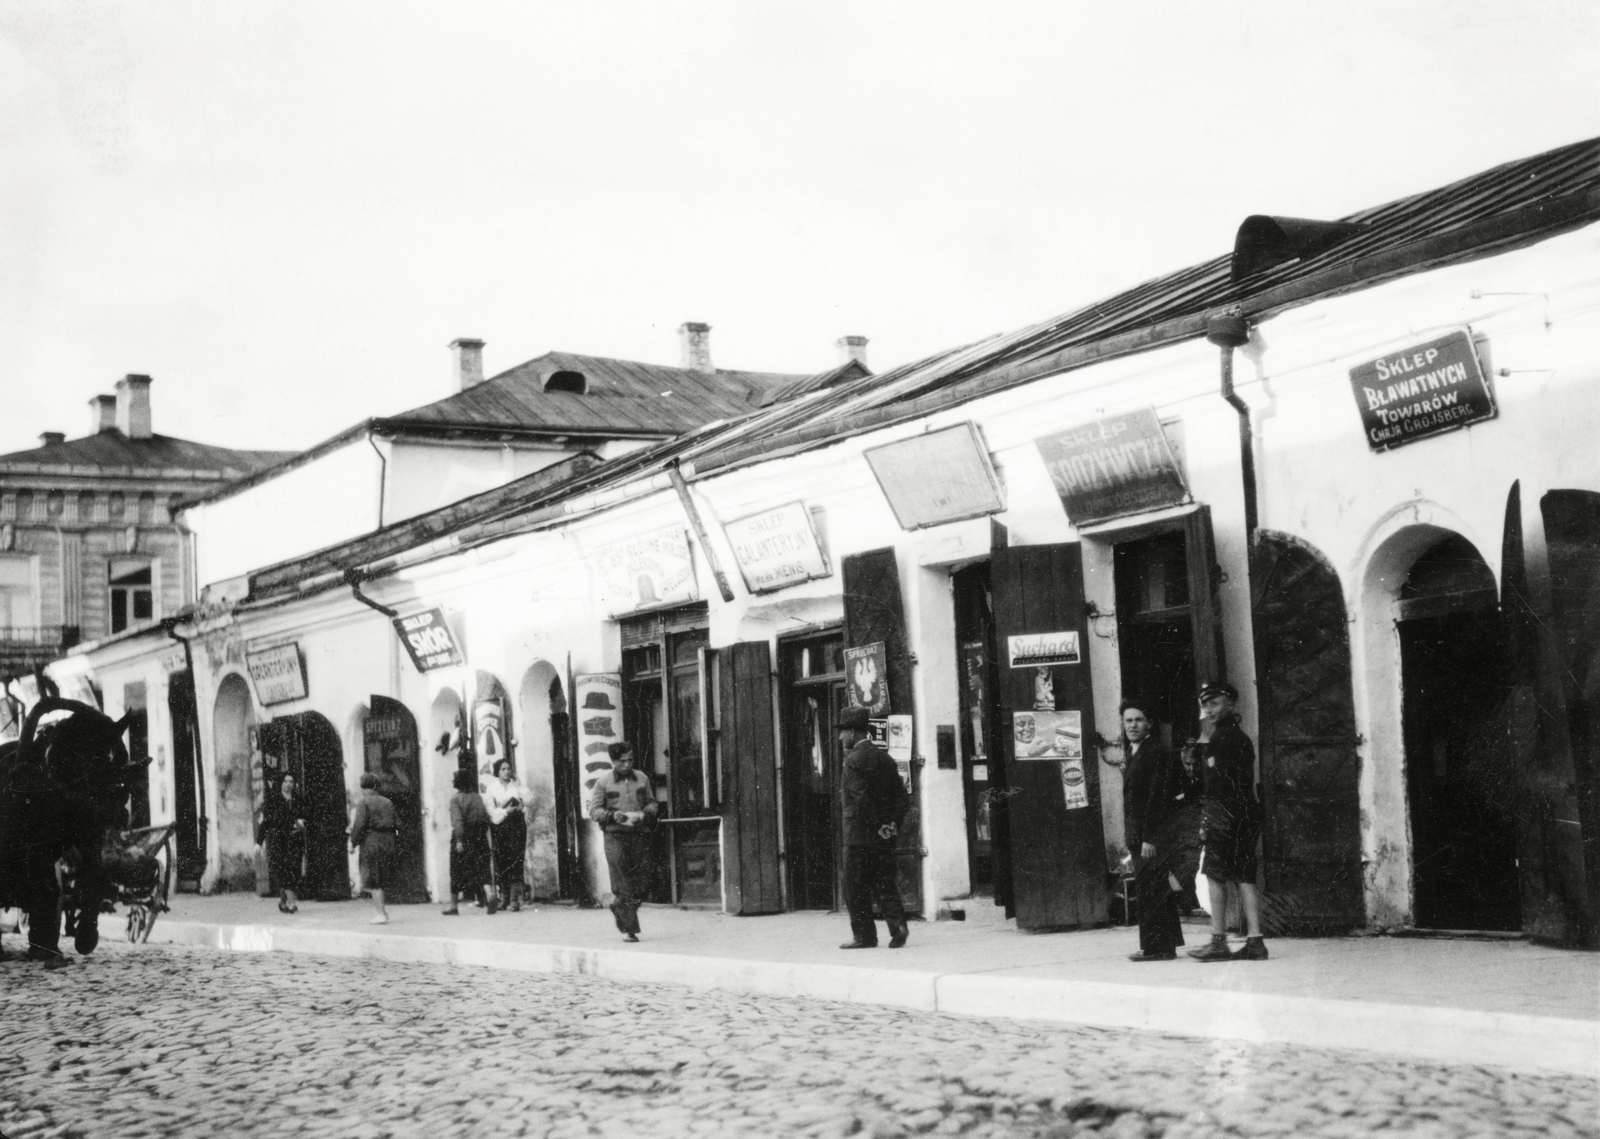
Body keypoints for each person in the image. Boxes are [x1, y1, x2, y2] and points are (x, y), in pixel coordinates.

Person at [1186, 681, 1268, 962]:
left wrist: (1208, 822)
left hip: (1225, 813)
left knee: (1214, 874)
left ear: (1231, 704)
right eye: (1205, 704)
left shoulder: (1222, 738)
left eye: (1215, 703)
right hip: (1246, 812)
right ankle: (1256, 941)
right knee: (1245, 876)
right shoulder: (1238, 736)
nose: (1208, 709)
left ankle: (1218, 941)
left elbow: (1219, 786)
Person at [1119, 698, 1199, 961]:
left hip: (1150, 835)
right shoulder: (1135, 750)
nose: (1133, 725)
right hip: (1139, 833)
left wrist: (1150, 838)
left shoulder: (1156, 752)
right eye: (1128, 720)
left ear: (1149, 723)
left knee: (1152, 887)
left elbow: (1157, 798)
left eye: (1138, 720)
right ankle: (1164, 945)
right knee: (1151, 886)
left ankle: (1159, 948)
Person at [837, 704, 911, 950]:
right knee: (885, 883)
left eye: (843, 732)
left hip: (859, 837)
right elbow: (902, 798)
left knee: (855, 887)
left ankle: (864, 937)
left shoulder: (852, 761)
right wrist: (889, 826)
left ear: (853, 732)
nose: (840, 737)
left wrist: (875, 826)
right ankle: (898, 927)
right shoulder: (885, 757)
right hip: (883, 835)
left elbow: (863, 800)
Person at [588, 741, 657, 941]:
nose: (627, 765)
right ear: (613, 761)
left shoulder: (642, 778)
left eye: (630, 760)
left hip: (639, 834)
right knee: (624, 882)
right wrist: (612, 815)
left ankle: (619, 907)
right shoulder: (603, 783)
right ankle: (630, 930)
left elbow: (652, 802)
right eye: (622, 761)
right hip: (615, 836)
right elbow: (594, 810)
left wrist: (645, 813)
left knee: (643, 881)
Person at [348, 772, 398, 925]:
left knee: (374, 879)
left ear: (364, 788)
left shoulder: (364, 803)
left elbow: (359, 826)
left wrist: (353, 843)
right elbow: (398, 825)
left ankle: (381, 913)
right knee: (381, 878)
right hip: (388, 841)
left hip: (371, 842)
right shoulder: (388, 802)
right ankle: (383, 911)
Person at [444, 768, 492, 916]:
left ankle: (453, 906)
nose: (453, 781)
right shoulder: (477, 797)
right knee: (482, 867)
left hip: (464, 836)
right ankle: (489, 894)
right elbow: (484, 817)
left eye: (454, 778)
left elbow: (457, 822)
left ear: (458, 782)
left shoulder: (455, 799)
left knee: (456, 870)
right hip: (479, 835)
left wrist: (459, 841)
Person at [484, 758, 530, 912]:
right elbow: (490, 810)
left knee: (516, 860)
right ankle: (503, 898)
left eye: (509, 768)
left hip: (516, 825)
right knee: (502, 861)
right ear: (498, 771)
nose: (507, 771)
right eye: (503, 769)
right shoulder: (492, 788)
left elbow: (529, 800)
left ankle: (514, 899)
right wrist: (505, 811)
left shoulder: (516, 787)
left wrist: (519, 785)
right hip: (500, 825)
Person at [262, 772, 307, 914]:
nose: (289, 784)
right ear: (281, 783)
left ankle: (282, 901)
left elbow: (306, 816)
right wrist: (259, 842)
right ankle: (291, 902)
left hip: (294, 840)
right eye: (286, 781)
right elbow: (267, 821)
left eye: (291, 781)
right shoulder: (273, 799)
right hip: (279, 841)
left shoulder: (298, 799)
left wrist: (302, 822)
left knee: (293, 871)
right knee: (285, 871)